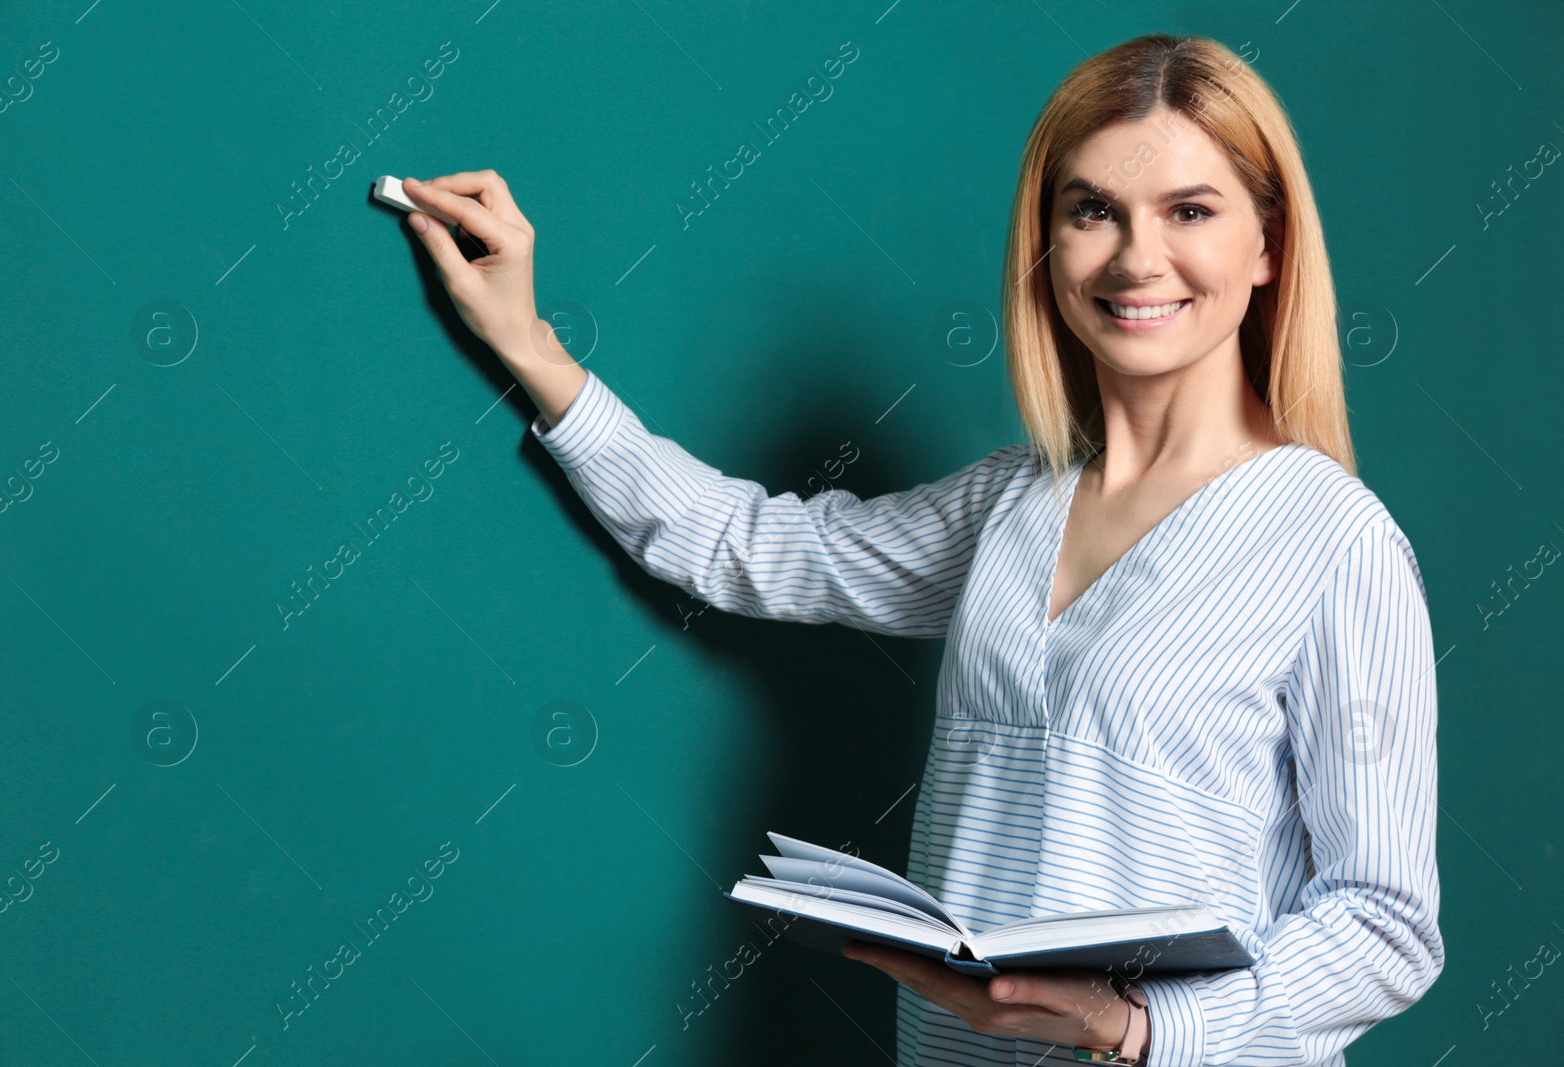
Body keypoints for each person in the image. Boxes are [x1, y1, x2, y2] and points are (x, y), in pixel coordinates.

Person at [398, 32, 1443, 1067]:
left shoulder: (1334, 542)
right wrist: (529, 342)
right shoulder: (1009, 506)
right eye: (1092, 210)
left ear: (1267, 244)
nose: (1136, 256)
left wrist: (1136, 1026)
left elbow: (1385, 922)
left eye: (1189, 211)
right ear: (1047, 242)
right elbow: (744, 543)